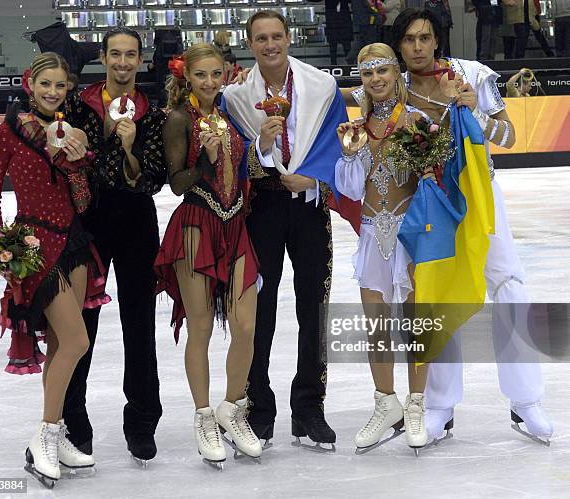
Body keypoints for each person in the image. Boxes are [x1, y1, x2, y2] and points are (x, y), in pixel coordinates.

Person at [390, 7, 554, 445]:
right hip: (427, 203)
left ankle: (526, 401)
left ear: (437, 40)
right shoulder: (393, 87)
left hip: (480, 192)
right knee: (437, 292)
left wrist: (472, 111)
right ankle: (440, 408)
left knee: (509, 283)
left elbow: (509, 137)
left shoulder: (473, 74)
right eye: (409, 40)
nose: (418, 47)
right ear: (399, 46)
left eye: (425, 38)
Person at [222, 10, 360, 451]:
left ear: (288, 38)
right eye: (260, 38)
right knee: (257, 312)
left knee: (313, 310)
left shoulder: (320, 86)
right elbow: (230, 153)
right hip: (261, 208)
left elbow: (340, 143)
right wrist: (260, 146)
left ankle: (309, 410)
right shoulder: (237, 97)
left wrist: (316, 180)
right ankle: (259, 409)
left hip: (309, 207)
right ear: (250, 43)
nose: (269, 44)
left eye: (276, 36)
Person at [0, 52, 107, 487]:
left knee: (60, 346)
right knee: (78, 340)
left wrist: (78, 159)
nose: (53, 92)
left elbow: (83, 201)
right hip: (35, 246)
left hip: (73, 242)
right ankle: (46, 435)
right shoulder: (7, 133)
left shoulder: (68, 132)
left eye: (61, 85)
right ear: (29, 84)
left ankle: (54, 433)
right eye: (46, 84)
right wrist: (2, 247)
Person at [62, 27, 168, 465]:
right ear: (103, 58)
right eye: (115, 54)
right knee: (80, 325)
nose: (123, 62)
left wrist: (128, 149)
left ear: (140, 60)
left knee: (139, 324)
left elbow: (155, 179)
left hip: (137, 221)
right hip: (87, 224)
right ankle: (74, 421)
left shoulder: (154, 112)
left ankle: (142, 421)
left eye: (131, 55)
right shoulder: (75, 105)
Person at [155, 43, 262, 466]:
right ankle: (203, 415)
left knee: (246, 327)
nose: (209, 82)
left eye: (216, 74)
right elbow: (178, 183)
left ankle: (231, 408)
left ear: (225, 74)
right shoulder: (179, 119)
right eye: (201, 75)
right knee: (200, 326)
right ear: (186, 77)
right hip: (197, 225)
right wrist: (206, 157)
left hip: (235, 226)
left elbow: (245, 169)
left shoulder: (231, 112)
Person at [335, 43, 434, 453]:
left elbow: (436, 181)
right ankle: (385, 403)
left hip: (412, 235)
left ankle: (415, 405)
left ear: (396, 73)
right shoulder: (355, 129)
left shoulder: (418, 121)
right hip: (373, 232)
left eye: (382, 71)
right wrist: (351, 155)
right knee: (376, 327)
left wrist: (428, 164)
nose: (376, 80)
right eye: (367, 73)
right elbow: (351, 189)